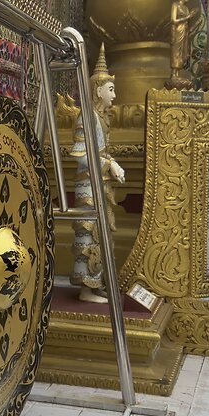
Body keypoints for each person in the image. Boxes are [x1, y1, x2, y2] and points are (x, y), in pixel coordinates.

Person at [69, 48, 125, 303]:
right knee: (87, 233)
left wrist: (113, 163)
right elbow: (81, 155)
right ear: (98, 90)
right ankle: (85, 288)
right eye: (111, 89)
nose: (114, 95)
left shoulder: (102, 118)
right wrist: (107, 164)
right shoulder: (86, 116)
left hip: (100, 186)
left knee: (102, 235)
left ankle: (97, 282)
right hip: (88, 188)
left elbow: (101, 151)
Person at [170, 0, 198, 83]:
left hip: (184, 32)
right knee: (176, 52)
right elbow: (173, 20)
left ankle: (178, 74)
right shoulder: (175, 5)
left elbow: (187, 22)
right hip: (177, 31)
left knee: (183, 53)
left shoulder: (186, 8)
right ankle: (173, 74)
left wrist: (191, 19)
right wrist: (187, 17)